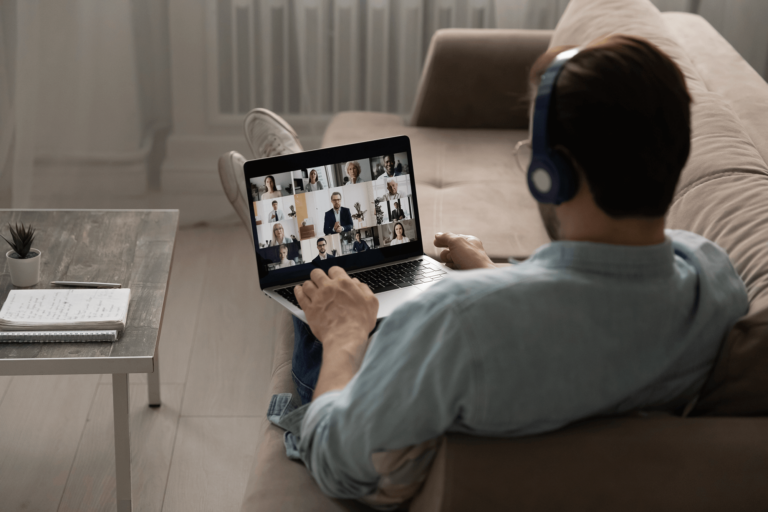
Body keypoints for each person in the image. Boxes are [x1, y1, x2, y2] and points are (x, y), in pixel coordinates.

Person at [251, 35, 749, 507]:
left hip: (395, 445)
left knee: (328, 295)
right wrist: (492, 273)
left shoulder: (451, 320)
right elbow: (581, 325)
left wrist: (345, 338)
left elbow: (343, 460)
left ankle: (292, 210)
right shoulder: (714, 278)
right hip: (512, 378)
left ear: (549, 174)